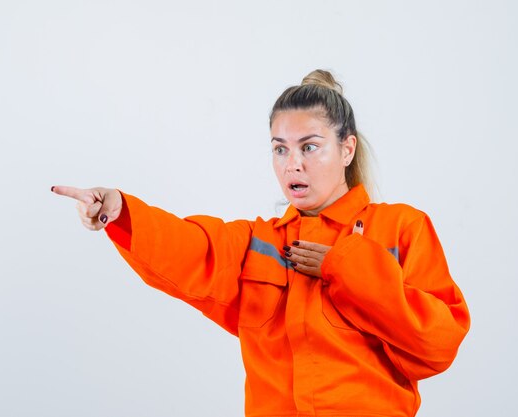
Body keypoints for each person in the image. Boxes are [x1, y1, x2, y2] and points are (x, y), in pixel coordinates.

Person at [52, 69, 470, 417]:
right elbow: (190, 248)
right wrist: (120, 209)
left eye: (310, 146)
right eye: (280, 149)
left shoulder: (400, 228)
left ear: (347, 149)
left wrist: (347, 267)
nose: (293, 164)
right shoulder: (260, 241)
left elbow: (437, 343)